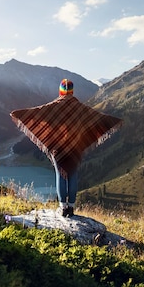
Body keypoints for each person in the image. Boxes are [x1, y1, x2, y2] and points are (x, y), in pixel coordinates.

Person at [10, 79, 122, 218]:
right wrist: (113, 121)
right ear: (72, 91)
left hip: (58, 148)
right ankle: (71, 208)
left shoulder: (54, 106)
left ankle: (62, 207)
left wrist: (20, 114)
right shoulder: (80, 108)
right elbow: (97, 117)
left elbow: (38, 112)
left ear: (61, 91)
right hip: (75, 147)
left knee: (60, 175)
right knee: (73, 175)